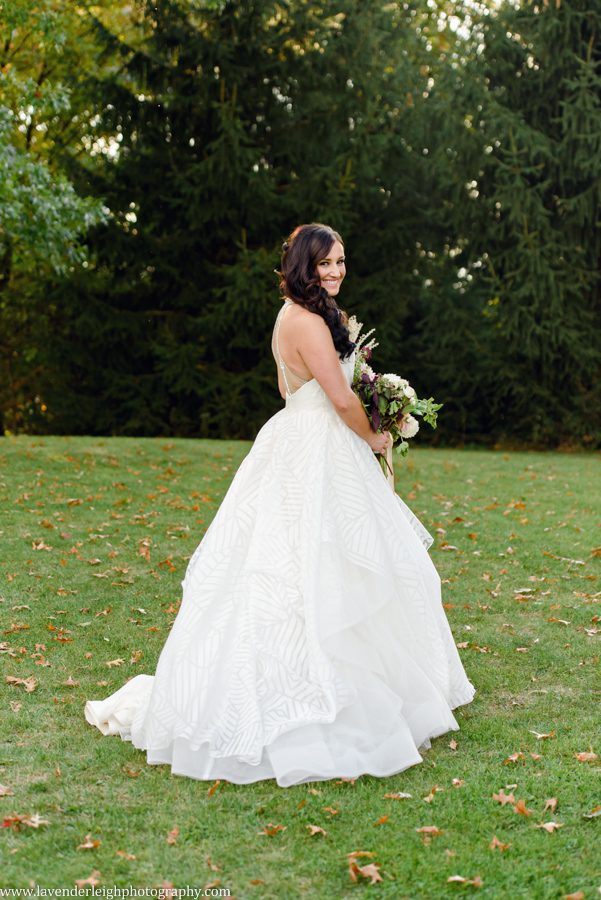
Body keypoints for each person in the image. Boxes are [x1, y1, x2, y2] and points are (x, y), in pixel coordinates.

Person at [84, 222, 476, 787]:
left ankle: (370, 677)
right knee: (309, 565)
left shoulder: (295, 315)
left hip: (301, 441)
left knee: (327, 559)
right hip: (315, 450)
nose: (337, 271)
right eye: (326, 263)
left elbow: (292, 390)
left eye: (342, 261)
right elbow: (338, 398)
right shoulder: (309, 320)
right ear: (304, 266)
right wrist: (374, 436)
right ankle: (313, 692)